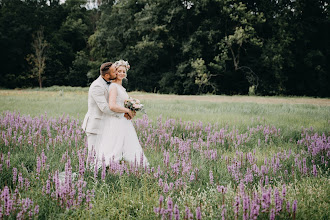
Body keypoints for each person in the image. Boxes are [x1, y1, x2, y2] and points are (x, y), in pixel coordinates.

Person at [95, 60, 149, 167]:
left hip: (123, 120)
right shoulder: (113, 87)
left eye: (123, 71)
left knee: (127, 144)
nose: (121, 73)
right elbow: (112, 105)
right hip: (116, 121)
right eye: (119, 71)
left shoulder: (121, 87)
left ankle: (127, 167)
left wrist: (132, 108)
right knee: (114, 146)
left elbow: (122, 104)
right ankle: (108, 168)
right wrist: (127, 110)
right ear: (115, 72)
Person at [82, 62, 135, 155]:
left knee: (105, 155)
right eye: (115, 71)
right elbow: (105, 108)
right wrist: (124, 113)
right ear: (107, 75)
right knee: (93, 156)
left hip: (106, 125)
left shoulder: (111, 84)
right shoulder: (97, 86)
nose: (117, 73)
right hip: (95, 126)